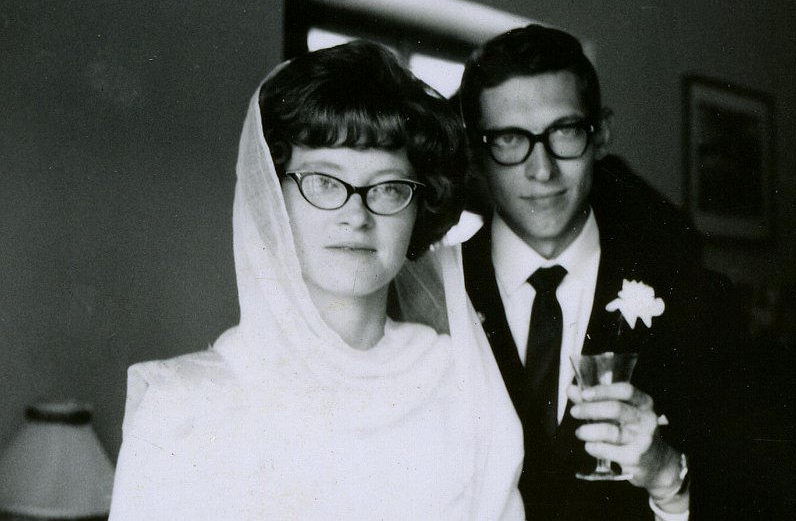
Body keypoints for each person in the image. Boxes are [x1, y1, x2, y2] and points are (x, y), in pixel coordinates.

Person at [109, 42, 524, 520]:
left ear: (419, 207)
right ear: (273, 196)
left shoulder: (460, 380)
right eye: (324, 181)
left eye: (389, 187)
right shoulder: (183, 404)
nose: (356, 215)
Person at [455, 25, 741, 521]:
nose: (541, 170)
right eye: (510, 139)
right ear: (477, 155)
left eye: (564, 132)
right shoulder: (432, 290)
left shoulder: (696, 298)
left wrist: (668, 476)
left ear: (601, 134)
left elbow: (755, 499)